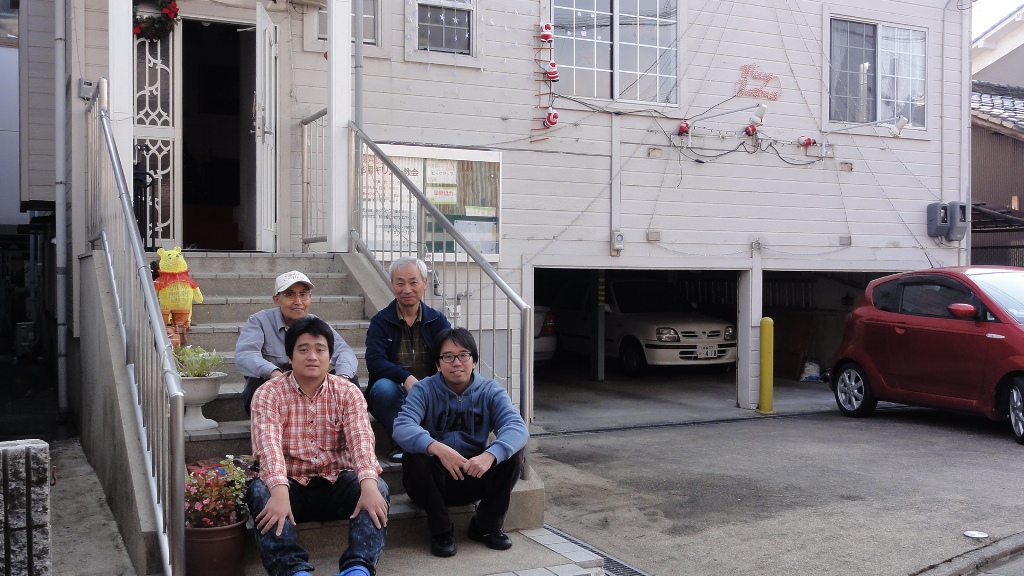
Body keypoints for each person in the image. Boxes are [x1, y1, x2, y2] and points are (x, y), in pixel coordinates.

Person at [246, 316, 389, 576]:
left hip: (337, 481)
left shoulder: (347, 392)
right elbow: (267, 447)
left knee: (376, 487)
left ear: (330, 357)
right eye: (303, 349)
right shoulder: (268, 393)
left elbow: (361, 440)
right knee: (260, 491)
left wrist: (368, 484)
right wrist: (279, 491)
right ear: (289, 357)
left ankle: (357, 568)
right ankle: (293, 570)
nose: (312, 356)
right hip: (290, 485)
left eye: (320, 349)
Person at [392, 328, 528, 558]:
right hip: (433, 483)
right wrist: (436, 448)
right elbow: (402, 426)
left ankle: (486, 526)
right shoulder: (423, 390)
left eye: (463, 355)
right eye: (448, 356)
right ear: (438, 364)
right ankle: (441, 532)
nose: (456, 362)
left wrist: (490, 455)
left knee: (513, 453)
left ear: (474, 361)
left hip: (474, 474)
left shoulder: (490, 391)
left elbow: (517, 427)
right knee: (417, 457)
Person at [364, 257, 451, 461]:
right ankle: (401, 443)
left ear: (425, 283)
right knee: (384, 389)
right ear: (392, 285)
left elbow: (449, 355)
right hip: (394, 392)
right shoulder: (381, 321)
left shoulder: (438, 320)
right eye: (400, 283)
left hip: (429, 391)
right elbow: (375, 361)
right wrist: (405, 377)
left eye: (413, 282)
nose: (407, 289)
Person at [237, 270, 358, 415]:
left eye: (303, 294)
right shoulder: (259, 321)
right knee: (257, 383)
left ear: (310, 297)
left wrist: (341, 379)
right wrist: (274, 373)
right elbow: (245, 355)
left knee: (350, 378)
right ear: (277, 300)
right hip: (275, 387)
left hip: (310, 386)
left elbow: (344, 352)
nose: (298, 301)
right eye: (289, 294)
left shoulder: (316, 324)